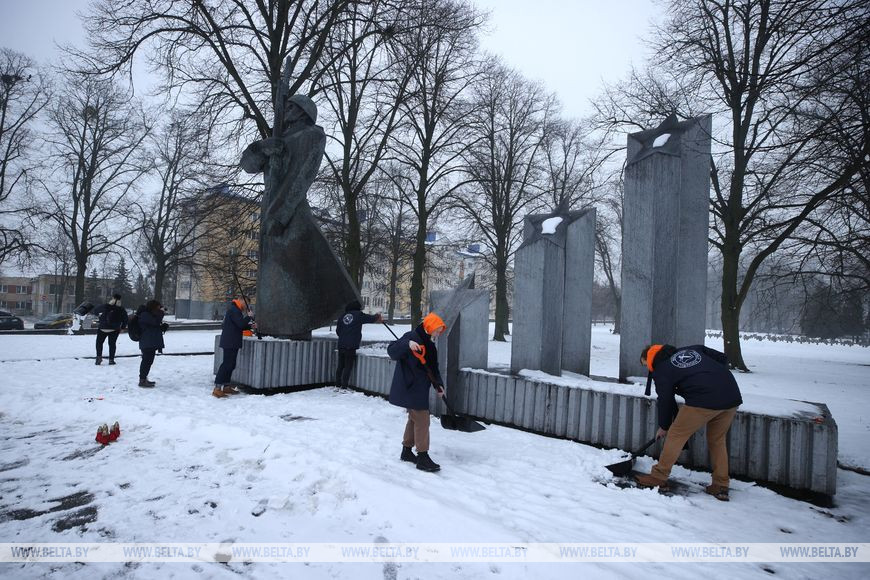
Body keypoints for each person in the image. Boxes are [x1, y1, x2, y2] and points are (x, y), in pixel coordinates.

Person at [634, 344, 743, 501]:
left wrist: (664, 426)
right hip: (731, 395)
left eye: (645, 365)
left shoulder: (662, 370)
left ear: (648, 358)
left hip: (703, 399)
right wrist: (712, 377)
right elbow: (722, 358)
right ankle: (720, 485)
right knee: (717, 440)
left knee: (676, 435)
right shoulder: (693, 349)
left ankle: (658, 477)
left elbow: (665, 400)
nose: (648, 369)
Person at [387, 312, 447, 472]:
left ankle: (406, 451)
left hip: (420, 386)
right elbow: (392, 351)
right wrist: (407, 344)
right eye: (437, 330)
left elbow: (433, 368)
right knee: (422, 420)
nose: (438, 333)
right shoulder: (412, 336)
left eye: (440, 331)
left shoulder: (430, 345)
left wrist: (438, 385)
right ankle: (422, 456)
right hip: (409, 385)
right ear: (430, 327)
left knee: (414, 419)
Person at [213, 298, 256, 398]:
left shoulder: (236, 310)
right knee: (226, 364)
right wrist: (249, 317)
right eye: (247, 304)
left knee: (231, 365)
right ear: (241, 301)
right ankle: (217, 388)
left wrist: (250, 327)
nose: (247, 306)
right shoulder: (234, 310)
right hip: (230, 342)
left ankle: (226, 386)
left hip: (232, 341)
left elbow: (238, 325)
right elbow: (240, 324)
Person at [335, 300, 382, 388]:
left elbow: (338, 331)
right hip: (351, 345)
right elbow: (370, 318)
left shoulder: (342, 316)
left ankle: (337, 384)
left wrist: (343, 336)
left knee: (341, 365)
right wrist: (377, 316)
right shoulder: (358, 315)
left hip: (341, 344)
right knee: (348, 366)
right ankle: (344, 386)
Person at [137, 300, 167, 388]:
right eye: (158, 307)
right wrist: (161, 313)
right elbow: (155, 322)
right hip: (147, 342)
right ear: (153, 307)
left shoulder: (149, 315)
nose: (159, 308)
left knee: (148, 361)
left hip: (150, 341)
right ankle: (142, 380)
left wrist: (162, 328)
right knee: (146, 361)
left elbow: (154, 326)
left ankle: (144, 378)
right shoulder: (145, 315)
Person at [92, 293, 128, 365]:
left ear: (112, 298)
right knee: (112, 344)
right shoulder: (121, 309)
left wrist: (99, 316)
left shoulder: (106, 306)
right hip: (114, 329)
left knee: (99, 343)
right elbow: (125, 319)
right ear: (120, 299)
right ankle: (111, 360)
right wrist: (123, 327)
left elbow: (95, 310)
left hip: (102, 328)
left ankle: (99, 357)